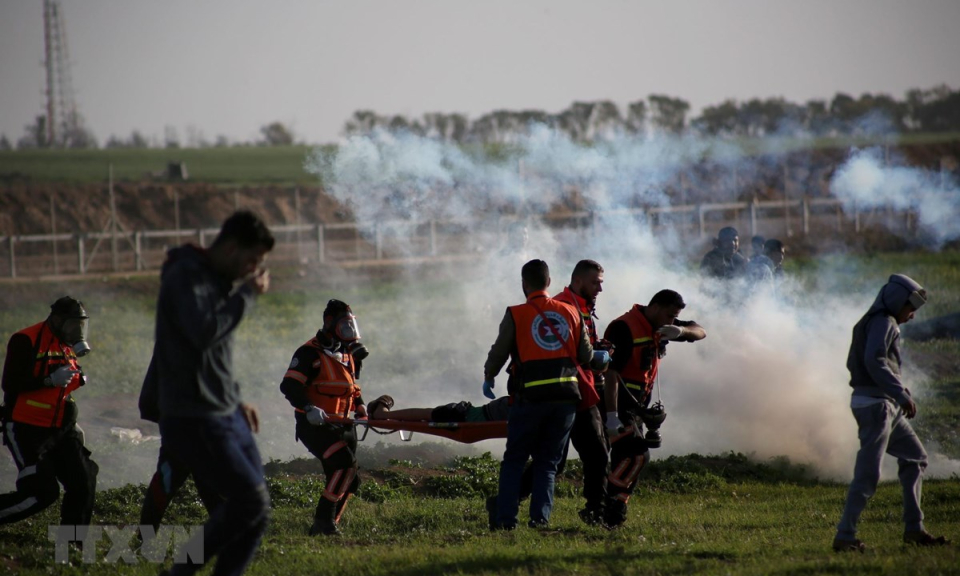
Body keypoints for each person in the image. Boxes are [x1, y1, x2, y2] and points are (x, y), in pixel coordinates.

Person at [148, 210, 274, 576]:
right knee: (248, 502)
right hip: (194, 414)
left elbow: (214, 355)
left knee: (257, 508)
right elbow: (204, 332)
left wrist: (236, 398)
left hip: (223, 410)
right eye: (251, 260)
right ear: (231, 247)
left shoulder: (213, 280)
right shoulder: (187, 277)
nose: (253, 270)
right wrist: (247, 295)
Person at [832, 274, 950, 552]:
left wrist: (896, 391)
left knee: (916, 457)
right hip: (878, 407)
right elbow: (874, 361)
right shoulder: (884, 322)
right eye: (910, 308)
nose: (911, 315)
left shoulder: (873, 321)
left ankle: (914, 529)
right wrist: (900, 393)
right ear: (897, 302)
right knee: (868, 474)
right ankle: (845, 536)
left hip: (883, 404)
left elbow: (878, 362)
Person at [483, 259, 593, 530]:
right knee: (547, 463)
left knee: (515, 460)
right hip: (565, 400)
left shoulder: (516, 313)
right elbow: (586, 355)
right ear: (549, 283)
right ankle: (540, 521)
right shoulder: (572, 311)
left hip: (529, 400)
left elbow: (499, 351)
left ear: (524, 284)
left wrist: (489, 376)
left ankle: (506, 520)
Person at [602, 290, 706, 528]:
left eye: (675, 317)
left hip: (639, 406)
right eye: (670, 316)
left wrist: (680, 331)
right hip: (618, 404)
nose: (671, 321)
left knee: (625, 460)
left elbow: (700, 331)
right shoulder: (624, 327)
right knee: (639, 455)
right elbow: (611, 375)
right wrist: (611, 416)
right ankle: (606, 499)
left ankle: (612, 513)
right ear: (656, 307)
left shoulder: (662, 325)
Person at [0, 297, 98, 527]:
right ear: (56, 320)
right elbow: (10, 384)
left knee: (84, 481)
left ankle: (70, 549)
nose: (78, 331)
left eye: (81, 325)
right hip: (27, 428)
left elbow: (61, 387)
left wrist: (76, 380)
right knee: (41, 493)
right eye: (73, 324)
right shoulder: (25, 340)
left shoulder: (68, 345)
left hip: (61, 429)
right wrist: (48, 380)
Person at [279, 299, 370, 536]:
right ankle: (322, 521)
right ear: (329, 322)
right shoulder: (309, 353)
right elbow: (289, 385)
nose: (349, 331)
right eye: (344, 325)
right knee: (343, 464)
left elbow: (352, 387)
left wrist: (360, 407)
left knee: (350, 480)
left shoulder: (348, 354)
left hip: (344, 424)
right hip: (315, 426)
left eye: (351, 325)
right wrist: (308, 408)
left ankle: (330, 524)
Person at [547, 259, 611, 524]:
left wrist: (601, 347)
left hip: (583, 389)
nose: (600, 288)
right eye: (595, 282)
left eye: (601, 283)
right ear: (578, 281)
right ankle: (509, 499)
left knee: (594, 453)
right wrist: (594, 357)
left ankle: (596, 509)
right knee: (560, 459)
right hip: (568, 390)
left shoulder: (583, 306)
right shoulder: (563, 306)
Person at [366, 394, 510, 423]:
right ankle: (381, 415)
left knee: (427, 414)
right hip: (462, 415)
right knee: (427, 414)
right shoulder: (523, 406)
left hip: (464, 415)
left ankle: (383, 414)